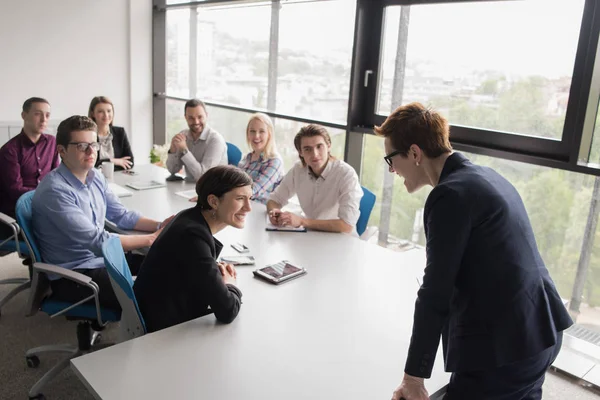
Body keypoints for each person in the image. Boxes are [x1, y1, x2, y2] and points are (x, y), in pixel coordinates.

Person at [377, 103, 573, 400]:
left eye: (391, 159)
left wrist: (413, 377)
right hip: (542, 331)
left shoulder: (449, 195)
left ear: (415, 153)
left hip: (505, 351)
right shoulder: (485, 176)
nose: (391, 169)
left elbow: (435, 293)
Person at [32, 116, 173, 311]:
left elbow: (121, 215)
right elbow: (98, 242)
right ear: (61, 151)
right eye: (82, 146)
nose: (91, 152)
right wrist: (151, 239)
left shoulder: (95, 175)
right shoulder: (55, 191)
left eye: (94, 144)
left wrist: (159, 225)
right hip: (76, 274)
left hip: (103, 260)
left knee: (170, 265)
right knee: (157, 293)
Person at [134, 165, 251, 332]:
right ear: (214, 201)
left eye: (250, 198)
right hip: (164, 332)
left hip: (161, 312)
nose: (248, 207)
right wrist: (231, 285)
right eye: (240, 198)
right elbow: (228, 310)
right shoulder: (193, 236)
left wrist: (215, 275)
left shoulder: (189, 217)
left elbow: (192, 265)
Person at [266, 124, 362, 234]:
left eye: (319, 146)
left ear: (328, 146)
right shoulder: (298, 170)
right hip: (311, 236)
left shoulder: (346, 174)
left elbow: (346, 225)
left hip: (341, 240)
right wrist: (273, 212)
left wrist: (302, 221)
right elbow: (274, 200)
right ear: (300, 152)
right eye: (307, 149)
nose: (315, 154)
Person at [0, 97, 59, 240]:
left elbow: (56, 176)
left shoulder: (52, 142)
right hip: (20, 210)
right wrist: (47, 195)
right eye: (38, 114)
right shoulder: (9, 150)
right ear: (24, 115)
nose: (44, 119)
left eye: (47, 115)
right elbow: (16, 191)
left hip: (46, 204)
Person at [166, 99, 227, 182]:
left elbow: (203, 176)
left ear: (206, 115)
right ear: (185, 118)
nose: (196, 122)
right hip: (188, 187)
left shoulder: (215, 140)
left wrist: (184, 150)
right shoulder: (183, 135)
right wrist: (173, 150)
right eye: (191, 118)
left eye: (200, 117)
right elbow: (173, 170)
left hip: (211, 189)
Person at [237, 113, 284, 204]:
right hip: (241, 205)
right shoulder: (247, 158)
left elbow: (252, 191)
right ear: (248, 134)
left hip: (259, 211)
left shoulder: (274, 161)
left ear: (269, 134)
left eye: (261, 131)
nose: (256, 136)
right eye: (252, 131)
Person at [88, 96, 134, 171]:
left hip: (118, 178)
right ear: (93, 113)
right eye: (100, 111)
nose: (106, 115)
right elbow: (91, 164)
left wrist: (102, 164)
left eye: (109, 111)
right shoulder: (88, 135)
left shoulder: (120, 132)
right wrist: (113, 161)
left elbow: (130, 162)